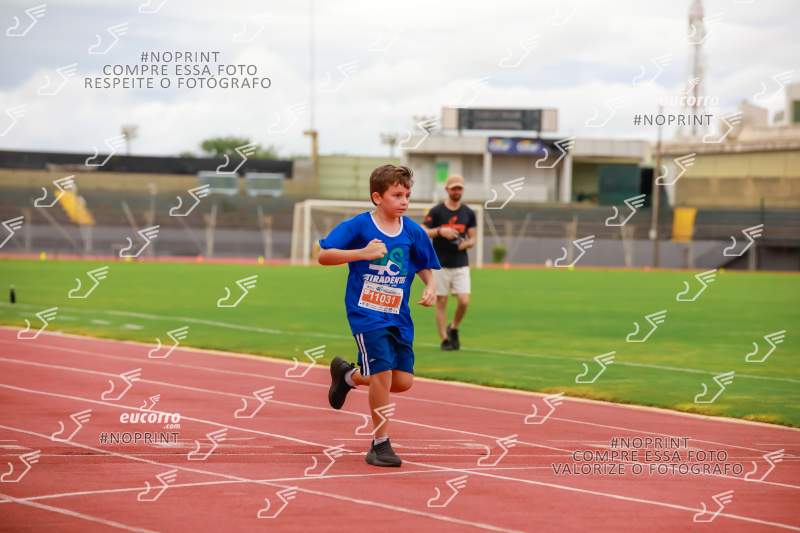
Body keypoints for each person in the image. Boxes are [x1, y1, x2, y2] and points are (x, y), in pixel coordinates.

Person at [319, 164, 440, 467]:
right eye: (397, 195)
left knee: (403, 381)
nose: (404, 201)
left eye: (407, 195)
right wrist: (361, 253)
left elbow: (424, 264)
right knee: (383, 374)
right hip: (366, 314)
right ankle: (380, 444)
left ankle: (347, 376)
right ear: (377, 197)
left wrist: (431, 287)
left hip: (398, 315)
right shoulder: (359, 227)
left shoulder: (412, 231)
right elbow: (324, 255)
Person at [422, 175, 477, 351]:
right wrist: (440, 231)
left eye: (459, 188)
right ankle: (445, 339)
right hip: (440, 263)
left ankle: (453, 327)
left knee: (464, 301)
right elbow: (423, 231)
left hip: (461, 263)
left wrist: (465, 244)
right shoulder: (436, 211)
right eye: (453, 188)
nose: (456, 191)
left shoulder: (468, 213)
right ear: (447, 189)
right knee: (441, 301)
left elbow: (473, 238)